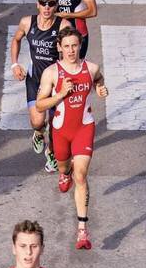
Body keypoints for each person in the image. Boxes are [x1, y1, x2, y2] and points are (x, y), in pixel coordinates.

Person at [36, 28, 108, 250]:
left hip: (84, 128)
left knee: (81, 174)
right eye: (66, 46)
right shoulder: (52, 73)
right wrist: (60, 95)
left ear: (80, 46)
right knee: (64, 165)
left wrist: (100, 88)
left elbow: (98, 79)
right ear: (59, 47)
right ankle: (63, 172)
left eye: (74, 46)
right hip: (60, 130)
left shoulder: (91, 67)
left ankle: (82, 230)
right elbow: (40, 104)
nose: (70, 50)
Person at [10, 0, 62, 172]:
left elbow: (73, 53)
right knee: (37, 122)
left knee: (57, 126)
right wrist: (15, 65)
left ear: (56, 6)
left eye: (51, 4)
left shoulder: (63, 26)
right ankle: (39, 134)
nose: (47, 7)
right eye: (43, 3)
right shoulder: (27, 22)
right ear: (37, 4)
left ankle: (52, 153)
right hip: (35, 80)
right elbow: (16, 40)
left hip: (57, 84)